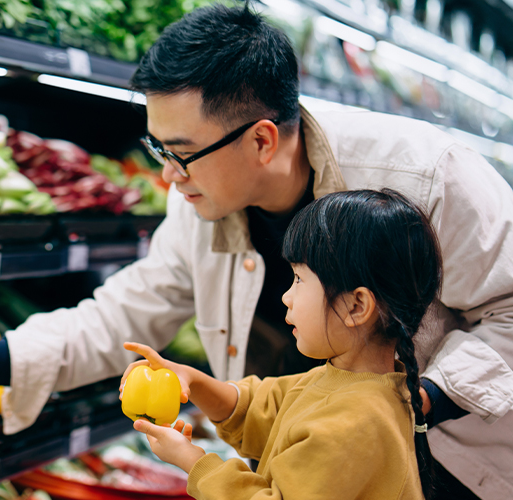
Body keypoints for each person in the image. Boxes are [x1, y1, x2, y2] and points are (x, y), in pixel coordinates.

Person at [0, 5, 513, 498]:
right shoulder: (200, 193)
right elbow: (123, 313)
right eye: (157, 149)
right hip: (294, 456)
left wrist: (402, 403)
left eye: (181, 151)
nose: (168, 175)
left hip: (452, 468)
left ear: (262, 139)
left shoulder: (426, 174)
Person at [122, 189, 440, 500]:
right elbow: (262, 408)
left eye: (300, 280)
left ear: (356, 306)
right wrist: (192, 380)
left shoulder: (353, 425)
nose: (287, 296)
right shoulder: (348, 384)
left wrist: (193, 463)